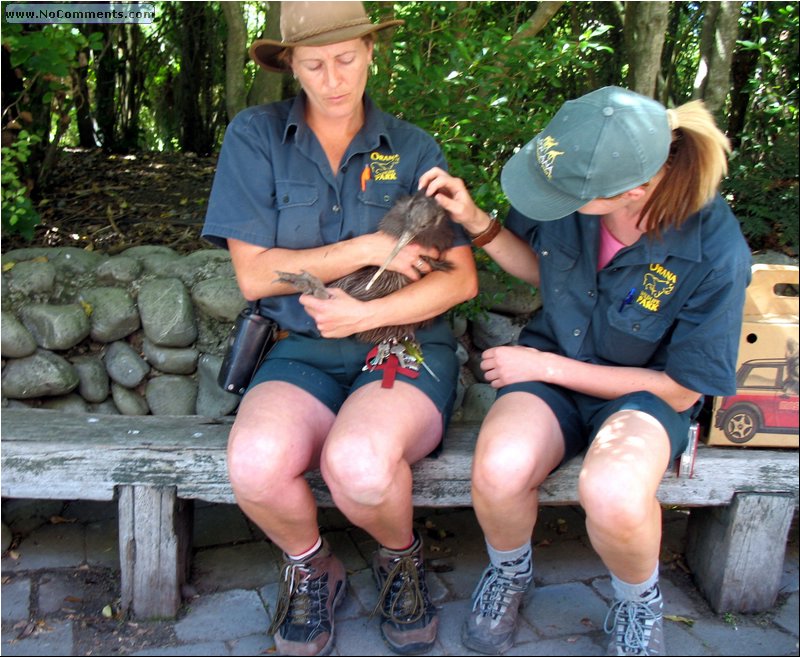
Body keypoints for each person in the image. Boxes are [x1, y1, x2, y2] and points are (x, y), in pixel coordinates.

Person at [420, 86, 751, 656]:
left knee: (615, 493)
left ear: (634, 191)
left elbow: (682, 388)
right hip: (555, 367)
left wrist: (544, 364)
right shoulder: (567, 184)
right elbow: (544, 272)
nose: (548, 195)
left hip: (646, 394)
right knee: (498, 468)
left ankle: (638, 601)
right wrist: (475, 220)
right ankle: (510, 572)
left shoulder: (716, 251)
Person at [201, 2, 477, 656]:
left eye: (347, 58)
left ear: (370, 51)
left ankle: (397, 557)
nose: (333, 77)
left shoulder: (412, 149)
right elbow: (257, 277)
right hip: (302, 348)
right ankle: (310, 562)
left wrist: (368, 312)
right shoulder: (256, 137)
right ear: (291, 64)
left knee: (358, 463)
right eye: (315, 63)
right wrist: (367, 248)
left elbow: (460, 280)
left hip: (401, 344)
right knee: (255, 463)